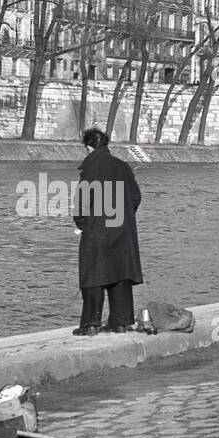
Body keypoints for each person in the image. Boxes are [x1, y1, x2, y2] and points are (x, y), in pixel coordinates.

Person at [72, 128, 143, 335]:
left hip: (96, 230)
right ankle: (120, 322)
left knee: (94, 274)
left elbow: (82, 203)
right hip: (122, 230)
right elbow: (135, 198)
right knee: (120, 274)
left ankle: (91, 324)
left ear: (88, 146)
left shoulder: (90, 167)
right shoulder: (123, 166)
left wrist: (83, 224)